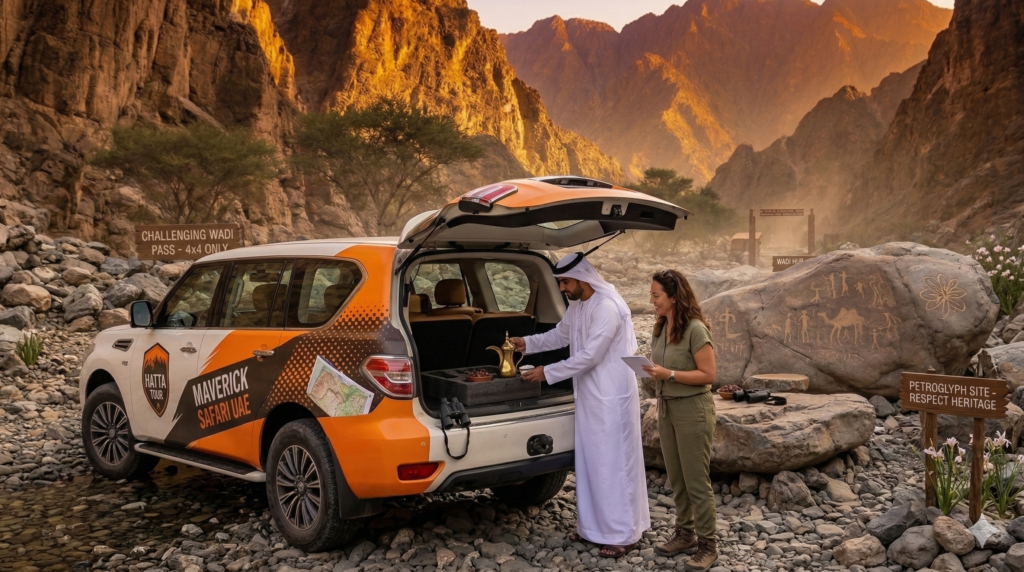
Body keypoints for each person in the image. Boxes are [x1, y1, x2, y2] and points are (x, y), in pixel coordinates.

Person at [511, 252, 650, 558]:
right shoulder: (579, 305)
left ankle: (623, 534)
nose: (562, 288)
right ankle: (593, 529)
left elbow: (590, 356)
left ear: (583, 278)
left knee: (613, 465)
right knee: (591, 463)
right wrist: (528, 343)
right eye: (560, 283)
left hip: (612, 398)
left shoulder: (608, 307)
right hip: (589, 396)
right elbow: (561, 335)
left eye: (565, 282)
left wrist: (546, 373)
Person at [641, 269, 718, 572]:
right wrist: (650, 369)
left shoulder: (696, 329)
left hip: (692, 410)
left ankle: (708, 546)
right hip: (666, 408)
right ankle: (684, 534)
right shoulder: (660, 327)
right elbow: (660, 365)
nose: (652, 301)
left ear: (674, 297)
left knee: (696, 480)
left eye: (656, 295)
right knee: (677, 478)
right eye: (651, 295)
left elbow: (708, 375)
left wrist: (669, 374)